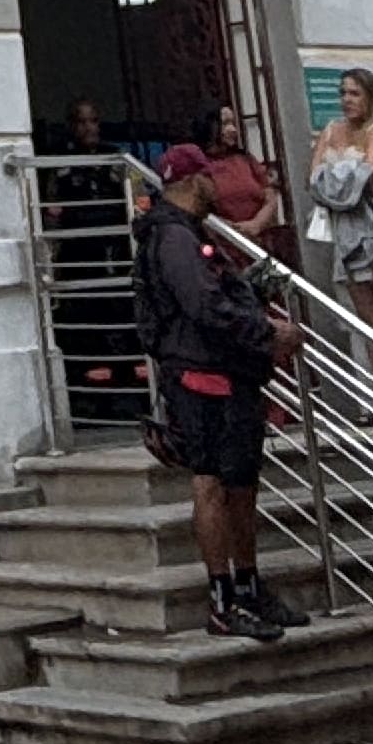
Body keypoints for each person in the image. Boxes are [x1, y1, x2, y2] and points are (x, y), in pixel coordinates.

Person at [140, 143, 302, 639]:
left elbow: (213, 295)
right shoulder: (172, 237)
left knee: (240, 483)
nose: (218, 184)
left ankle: (249, 587)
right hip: (200, 374)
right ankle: (221, 600)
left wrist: (251, 294)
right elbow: (201, 305)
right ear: (192, 182)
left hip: (228, 372)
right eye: (209, 176)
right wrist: (266, 334)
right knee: (211, 481)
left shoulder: (188, 234)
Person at [42, 101, 146, 422]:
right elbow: (51, 211)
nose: (89, 128)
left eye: (94, 121)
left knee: (125, 327)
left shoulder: (117, 158)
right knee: (87, 333)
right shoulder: (59, 164)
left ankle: (133, 397)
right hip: (80, 259)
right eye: (81, 122)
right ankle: (94, 403)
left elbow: (139, 196)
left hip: (118, 254)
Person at [304, 70, 373, 356]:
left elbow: (362, 175)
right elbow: (312, 180)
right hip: (347, 226)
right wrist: (334, 180)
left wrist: (333, 180)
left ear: (370, 96)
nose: (346, 100)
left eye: (354, 93)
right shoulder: (331, 130)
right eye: (342, 93)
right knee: (369, 317)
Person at [196, 100, 284, 242]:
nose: (233, 130)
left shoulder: (245, 160)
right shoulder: (199, 165)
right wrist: (235, 230)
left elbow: (270, 196)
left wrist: (256, 224)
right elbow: (199, 211)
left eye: (233, 123)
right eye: (225, 124)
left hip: (260, 243)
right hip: (225, 245)